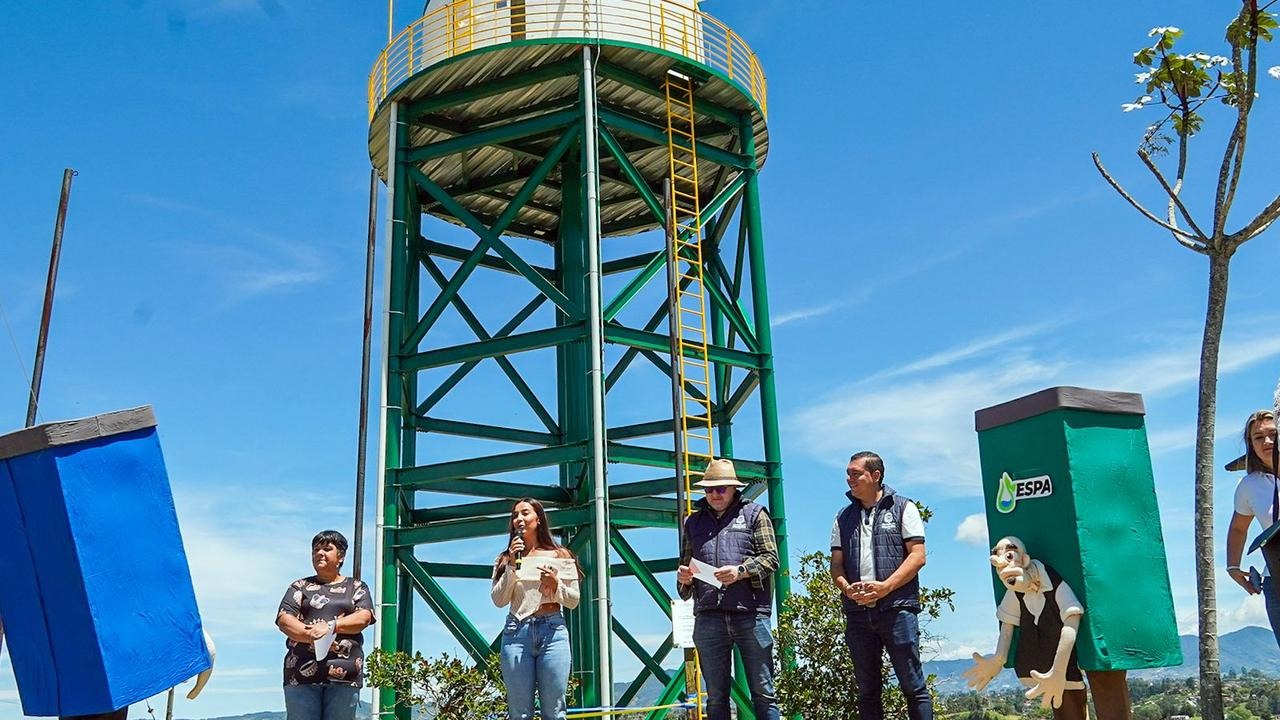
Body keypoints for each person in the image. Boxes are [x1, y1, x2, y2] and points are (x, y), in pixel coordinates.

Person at [830, 451, 933, 720]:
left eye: (856, 473)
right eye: (848, 473)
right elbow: (837, 565)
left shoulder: (903, 507)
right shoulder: (843, 517)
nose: (849, 478)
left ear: (875, 476)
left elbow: (918, 556)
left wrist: (886, 587)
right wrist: (846, 588)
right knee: (867, 691)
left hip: (897, 609)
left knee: (913, 686)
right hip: (858, 615)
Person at [676, 458, 781, 720]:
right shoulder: (693, 523)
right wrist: (685, 579)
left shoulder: (755, 514)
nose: (714, 494)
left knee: (763, 692)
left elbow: (771, 558)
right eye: (709, 489)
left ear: (735, 489)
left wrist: (741, 571)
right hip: (709, 615)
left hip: (751, 613)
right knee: (715, 697)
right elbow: (684, 572)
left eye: (721, 488)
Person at [491, 498, 581, 720]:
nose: (519, 519)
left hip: (553, 630)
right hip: (516, 631)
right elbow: (499, 599)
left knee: (555, 710)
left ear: (538, 519)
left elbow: (573, 600)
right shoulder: (504, 558)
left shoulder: (561, 556)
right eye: (515, 516)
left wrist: (555, 584)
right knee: (519, 712)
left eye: (525, 513)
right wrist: (512, 565)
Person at [275, 530, 376, 720]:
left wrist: (331, 626)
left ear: (341, 556)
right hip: (300, 674)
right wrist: (312, 635)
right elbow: (284, 620)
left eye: (327, 549)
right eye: (316, 550)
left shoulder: (356, 587)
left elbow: (363, 617)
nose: (320, 553)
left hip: (344, 674)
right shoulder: (299, 586)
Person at [1226, 409, 1280, 648]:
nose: (1267, 442)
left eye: (1273, 434)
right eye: (1258, 437)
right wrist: (1233, 566)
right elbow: (1238, 527)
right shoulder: (1249, 486)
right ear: (1251, 444)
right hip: (1276, 581)